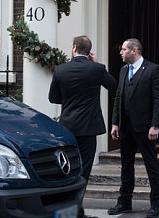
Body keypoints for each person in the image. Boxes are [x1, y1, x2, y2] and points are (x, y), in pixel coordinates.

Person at [49, 35, 117, 218]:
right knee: (83, 171)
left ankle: (70, 211)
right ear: (89, 51)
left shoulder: (61, 70)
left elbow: (53, 98)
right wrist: (97, 64)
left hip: (67, 127)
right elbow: (113, 85)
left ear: (74, 48)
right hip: (88, 129)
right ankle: (76, 211)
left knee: (67, 170)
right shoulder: (96, 69)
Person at [107, 38, 159, 218]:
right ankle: (124, 201)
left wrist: (155, 125)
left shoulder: (153, 70)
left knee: (151, 165)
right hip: (126, 127)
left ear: (134, 50)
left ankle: (155, 203)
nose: (120, 52)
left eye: (123, 49)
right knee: (126, 166)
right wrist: (115, 122)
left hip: (145, 127)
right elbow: (118, 97)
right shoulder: (124, 70)